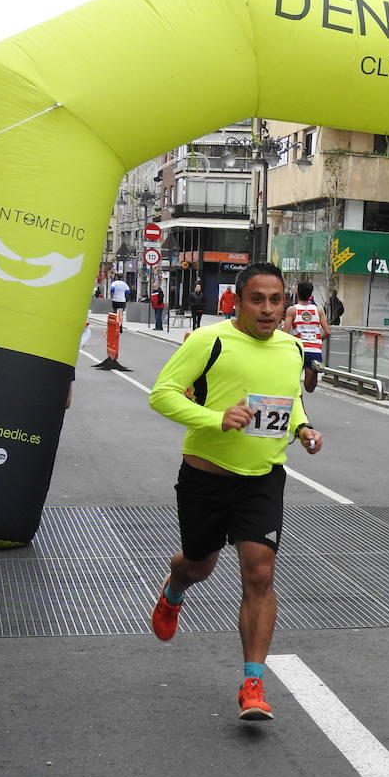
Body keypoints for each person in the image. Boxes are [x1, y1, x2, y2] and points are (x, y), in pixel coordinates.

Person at [147, 261, 325, 721]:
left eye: (276, 300)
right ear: (238, 301)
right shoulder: (210, 341)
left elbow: (290, 400)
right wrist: (215, 418)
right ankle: (174, 588)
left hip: (263, 477)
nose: (268, 310)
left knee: (260, 572)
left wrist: (304, 428)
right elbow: (162, 393)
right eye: (257, 300)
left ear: (285, 302)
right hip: (206, 476)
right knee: (200, 565)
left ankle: (253, 683)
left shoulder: (292, 347)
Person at [283, 280, 330, 394]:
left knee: (292, 384)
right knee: (309, 388)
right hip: (314, 349)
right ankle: (314, 369)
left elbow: (285, 333)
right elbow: (328, 332)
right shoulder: (318, 310)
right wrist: (318, 340)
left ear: (298, 292)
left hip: (298, 349)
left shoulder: (292, 310)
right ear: (311, 294)